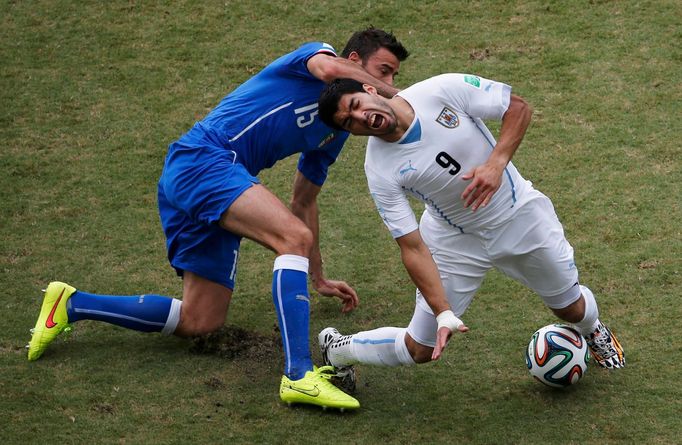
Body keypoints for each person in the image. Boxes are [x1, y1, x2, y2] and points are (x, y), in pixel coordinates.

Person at [27, 28, 410, 411]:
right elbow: (328, 69)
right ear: (356, 62)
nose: (387, 82)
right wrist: (397, 97)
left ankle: (72, 304)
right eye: (384, 70)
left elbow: (304, 200)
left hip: (217, 180)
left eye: (393, 76)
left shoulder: (338, 129)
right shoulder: (315, 60)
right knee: (291, 238)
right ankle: (298, 375)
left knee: (200, 319)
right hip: (204, 159)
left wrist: (318, 276)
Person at [315, 75, 625, 392]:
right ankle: (339, 349)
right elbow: (411, 247)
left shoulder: (439, 91)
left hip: (520, 217)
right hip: (453, 241)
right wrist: (443, 311)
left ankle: (593, 330)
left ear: (369, 90)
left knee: (570, 308)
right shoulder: (380, 169)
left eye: (355, 105)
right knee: (419, 348)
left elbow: (517, 107)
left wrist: (496, 164)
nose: (360, 117)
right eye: (349, 122)